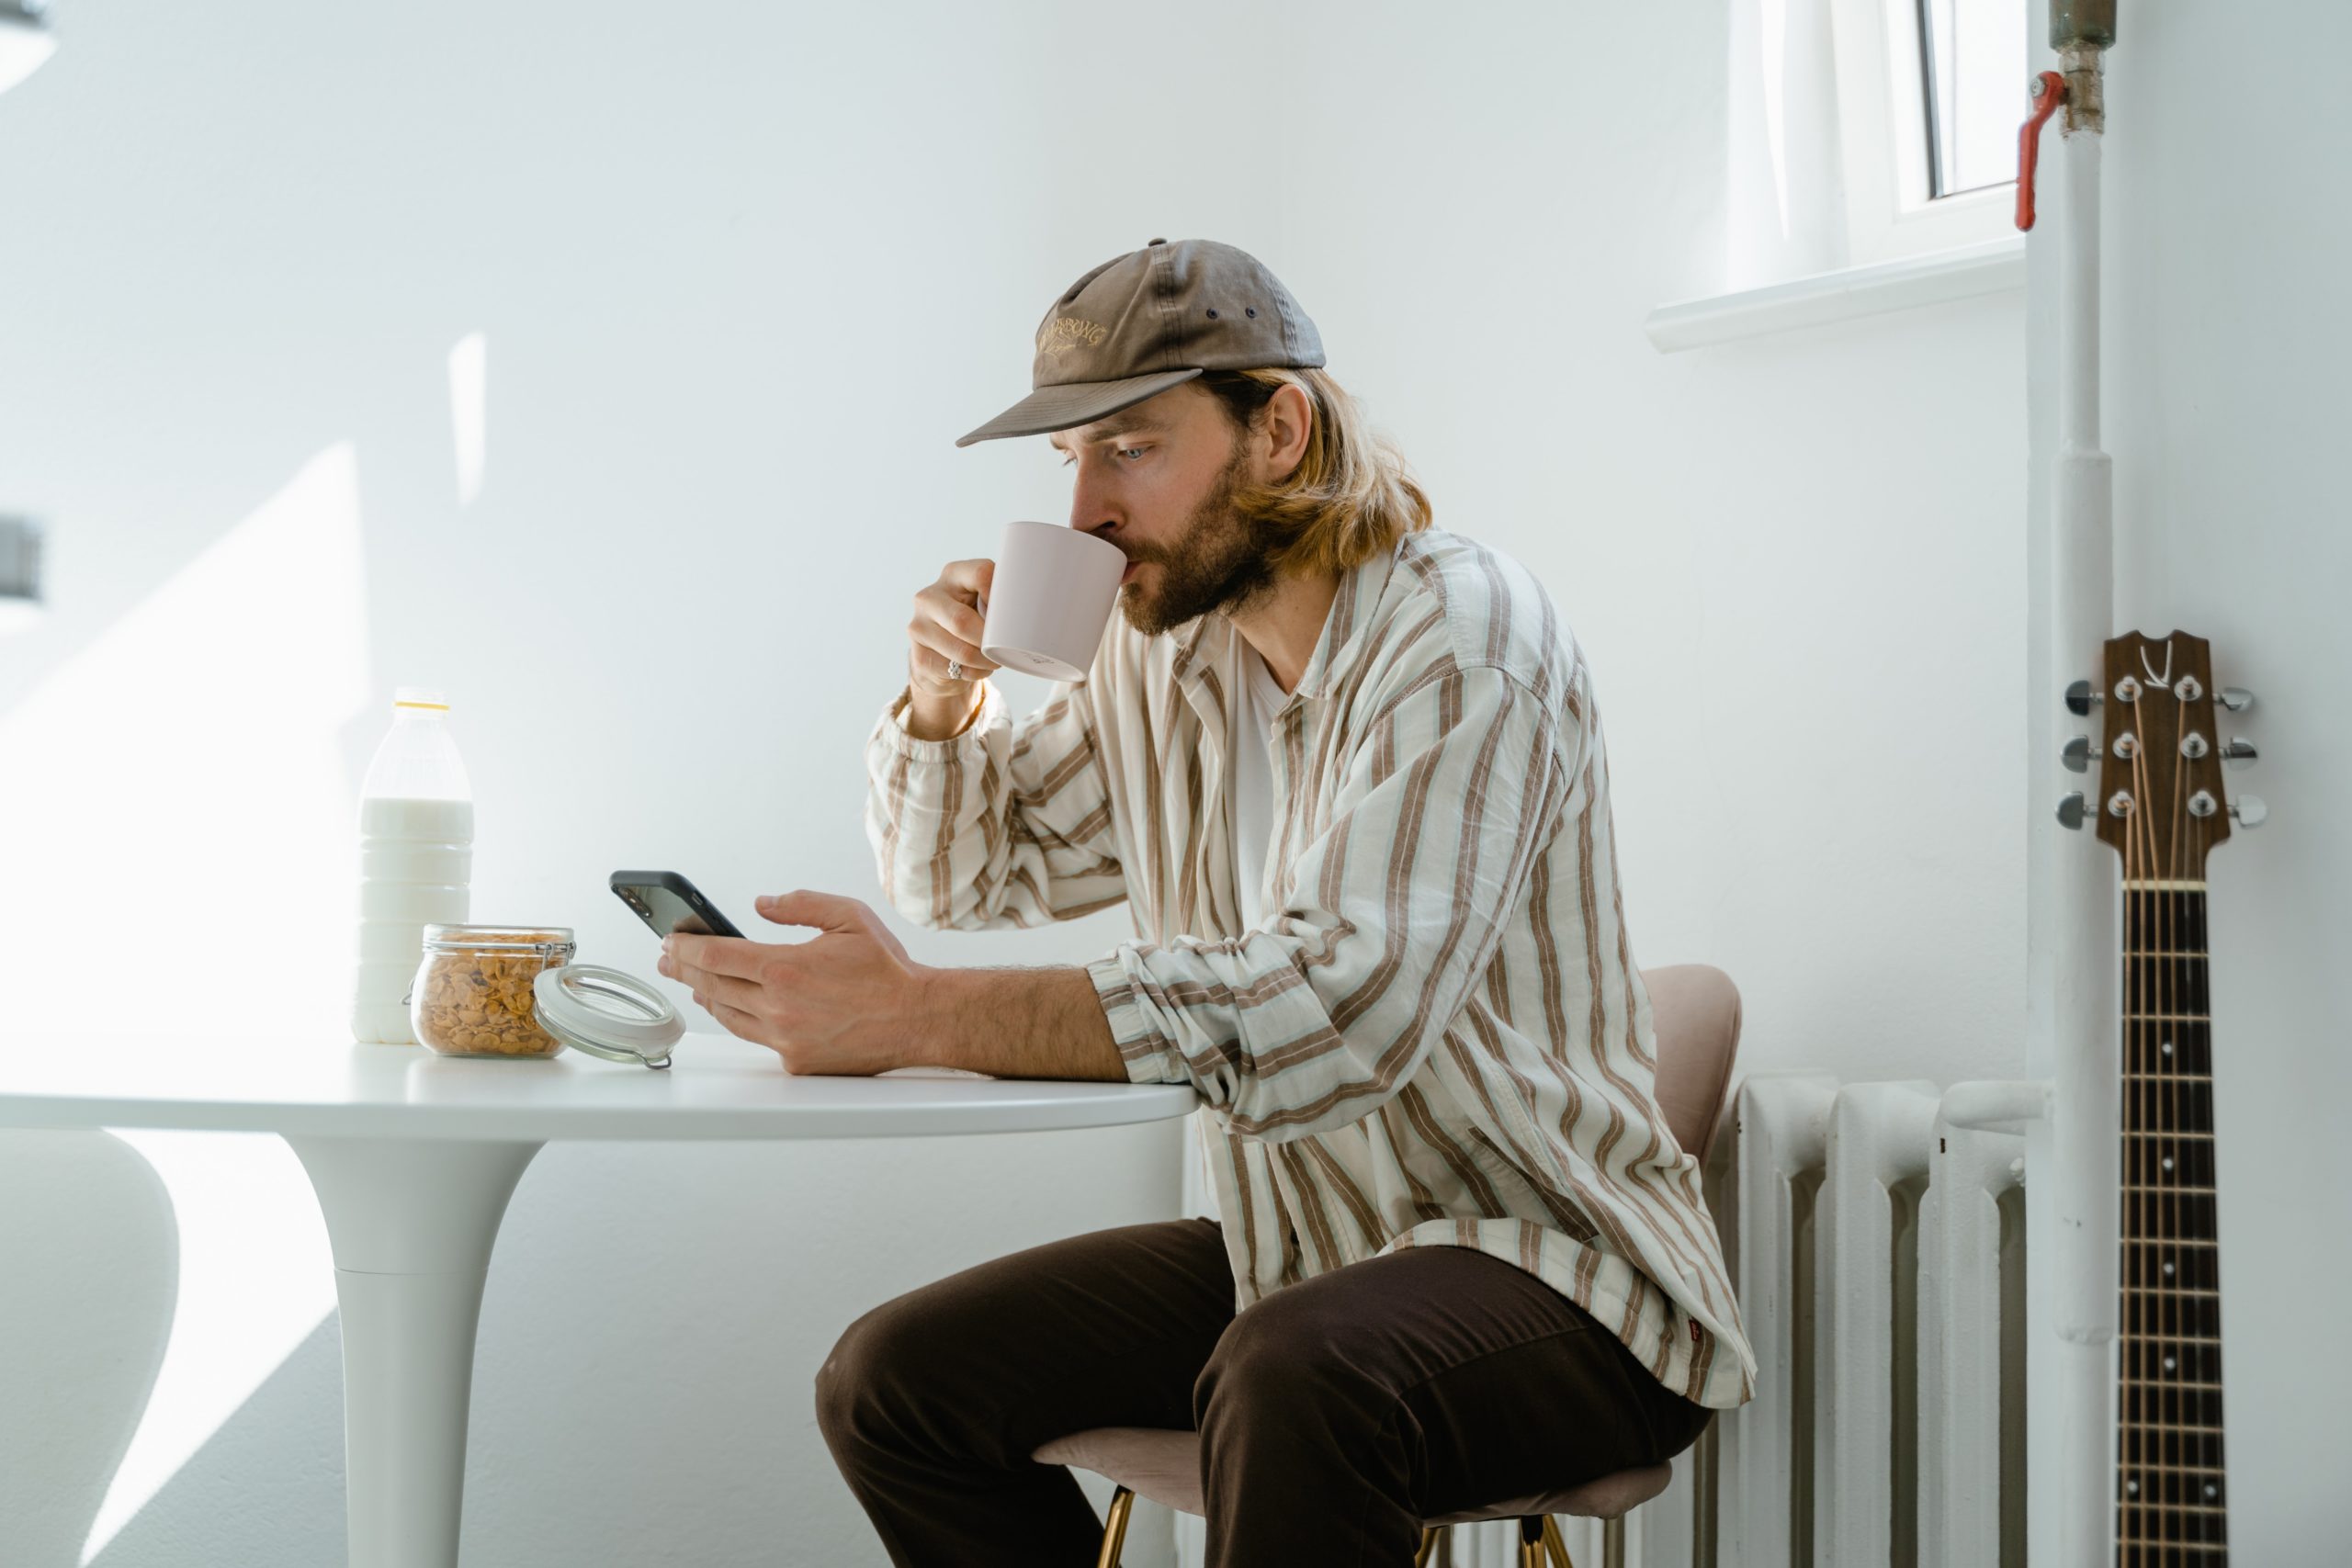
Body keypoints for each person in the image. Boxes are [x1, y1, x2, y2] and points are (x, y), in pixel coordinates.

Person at [655, 238, 1754, 1566]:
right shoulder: (1166, 657)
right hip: (1303, 1248)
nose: (1085, 511)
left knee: (1297, 1376)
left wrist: (911, 1016)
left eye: (1129, 449)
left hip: (1563, 1281)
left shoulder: (1463, 638)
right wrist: (945, 704)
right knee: (894, 1383)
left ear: (1279, 431)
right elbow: (971, 876)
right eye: (1069, 459)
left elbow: (1336, 1011)